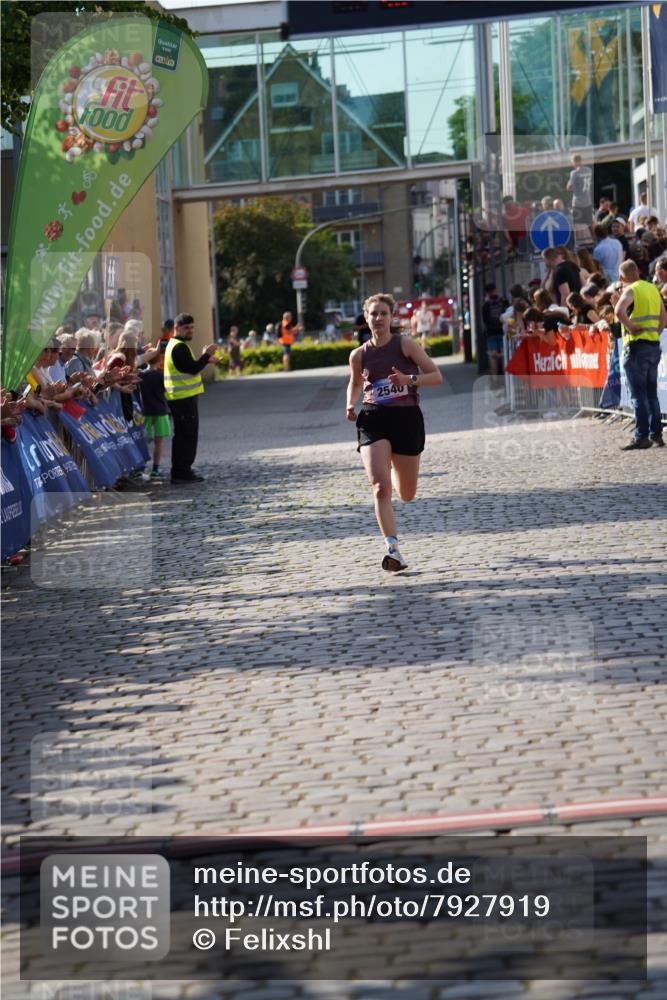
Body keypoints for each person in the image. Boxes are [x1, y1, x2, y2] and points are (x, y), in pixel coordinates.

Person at [346, 293, 443, 573]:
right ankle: (393, 549)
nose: (378, 318)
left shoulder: (406, 345)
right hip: (373, 418)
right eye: (373, 314)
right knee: (379, 488)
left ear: (391, 317)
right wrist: (350, 404)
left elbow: (436, 376)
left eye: (383, 313)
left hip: (406, 419)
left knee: (407, 493)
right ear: (365, 318)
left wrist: (408, 380)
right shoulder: (358, 355)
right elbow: (353, 384)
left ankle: (393, 472)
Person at [614, 259, 666, 449]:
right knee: (652, 393)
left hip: (636, 347)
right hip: (653, 345)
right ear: (637, 271)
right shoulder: (653, 288)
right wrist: (654, 334)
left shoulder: (631, 289)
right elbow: (663, 318)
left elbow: (618, 311)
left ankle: (641, 436)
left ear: (622, 277)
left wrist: (631, 327)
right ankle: (656, 434)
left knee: (638, 395)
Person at [163, 312, 218, 483]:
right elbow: (192, 368)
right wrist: (206, 355)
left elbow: (190, 367)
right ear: (176, 328)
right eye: (186, 328)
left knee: (184, 435)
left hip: (181, 397)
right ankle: (181, 472)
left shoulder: (177, 345)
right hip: (182, 398)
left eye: (192, 327)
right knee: (186, 436)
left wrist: (205, 360)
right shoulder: (179, 347)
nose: (190, 331)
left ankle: (182, 470)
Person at [138, 353, 170, 482]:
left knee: (143, 442)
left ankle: (139, 469)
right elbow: (167, 389)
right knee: (159, 443)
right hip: (160, 411)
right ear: (159, 360)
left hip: (145, 411)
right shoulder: (161, 375)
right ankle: (155, 470)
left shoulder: (141, 375)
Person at [481, 283, 507, 388]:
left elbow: (485, 321)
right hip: (502, 332)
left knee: (493, 357)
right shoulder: (503, 301)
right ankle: (505, 378)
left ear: (487, 292)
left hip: (491, 334)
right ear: (495, 289)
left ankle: (495, 381)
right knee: (504, 355)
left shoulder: (486, 306)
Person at [566, 154, 593, 230]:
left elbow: (569, 188)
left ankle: (578, 241)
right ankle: (595, 239)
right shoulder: (589, 170)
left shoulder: (574, 173)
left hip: (578, 202)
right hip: (588, 200)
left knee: (577, 224)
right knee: (590, 223)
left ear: (574, 162)